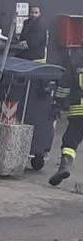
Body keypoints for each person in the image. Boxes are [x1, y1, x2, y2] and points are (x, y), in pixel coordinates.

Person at [50, 50, 83, 186]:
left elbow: (65, 84)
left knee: (70, 141)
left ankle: (65, 165)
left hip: (78, 110)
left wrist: (58, 102)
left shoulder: (75, 59)